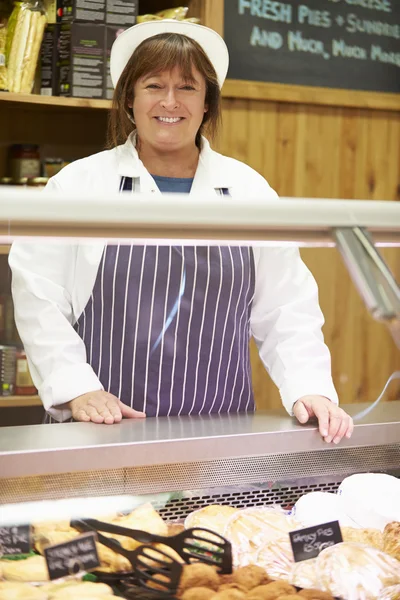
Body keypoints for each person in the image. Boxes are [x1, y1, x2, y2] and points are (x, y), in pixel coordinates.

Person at [9, 20, 353, 443]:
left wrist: (309, 386)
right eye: (153, 85)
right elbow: (39, 295)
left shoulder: (248, 190)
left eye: (187, 87)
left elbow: (286, 306)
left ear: (207, 102)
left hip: (219, 437)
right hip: (100, 432)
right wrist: (75, 386)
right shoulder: (79, 185)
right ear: (129, 100)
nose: (170, 102)